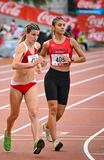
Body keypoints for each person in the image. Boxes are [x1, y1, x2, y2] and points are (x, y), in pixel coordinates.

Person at [40, 17, 86, 151]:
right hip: (51, 77)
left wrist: (71, 59)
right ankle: (56, 141)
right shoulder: (47, 44)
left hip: (65, 78)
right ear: (53, 27)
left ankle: (47, 127)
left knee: (60, 112)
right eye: (59, 25)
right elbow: (41, 56)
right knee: (53, 109)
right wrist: (41, 61)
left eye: (63, 25)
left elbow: (83, 57)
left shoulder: (71, 42)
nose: (62, 27)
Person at [3, 23, 45, 154]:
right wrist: (32, 64)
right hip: (17, 85)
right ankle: (8, 132)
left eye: (37, 35)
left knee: (33, 113)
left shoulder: (37, 46)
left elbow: (36, 60)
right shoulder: (22, 46)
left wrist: (39, 65)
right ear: (26, 33)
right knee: (14, 115)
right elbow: (14, 65)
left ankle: (36, 142)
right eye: (33, 34)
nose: (35, 37)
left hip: (31, 84)